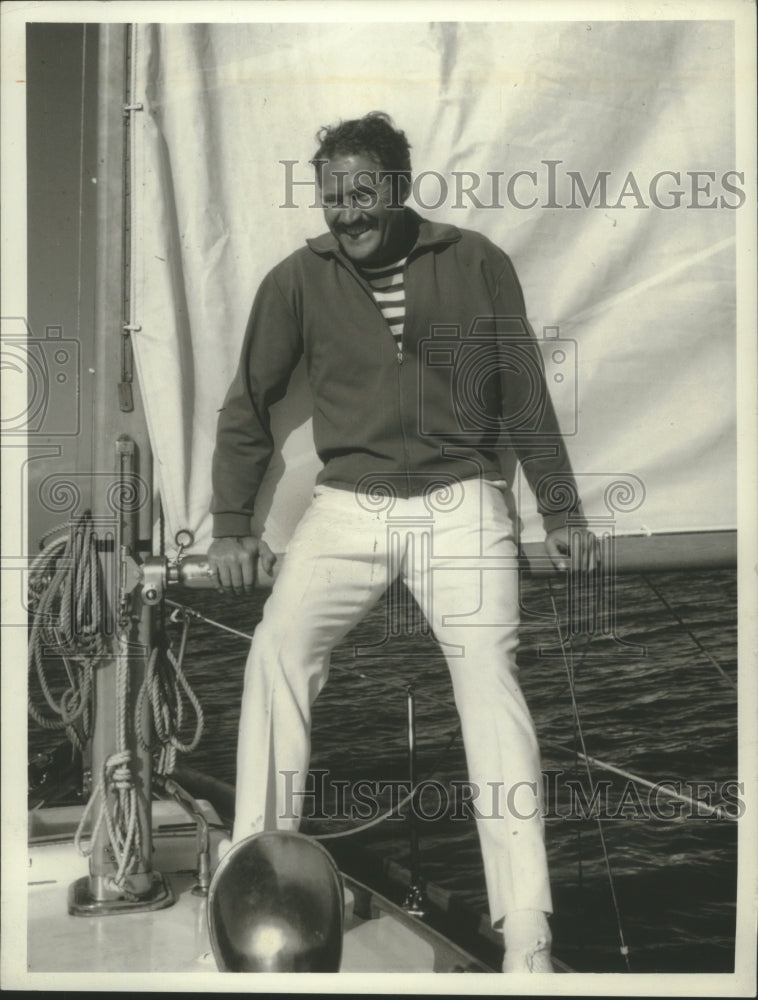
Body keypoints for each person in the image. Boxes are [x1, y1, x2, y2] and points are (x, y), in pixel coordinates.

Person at [208, 111, 597, 973]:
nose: (346, 214)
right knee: (277, 648)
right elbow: (249, 407)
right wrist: (232, 525)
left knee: (487, 670)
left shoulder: (474, 261)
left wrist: (562, 511)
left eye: (362, 194)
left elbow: (523, 388)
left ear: (399, 186)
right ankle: (253, 878)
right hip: (349, 503)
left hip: (462, 495)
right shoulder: (295, 282)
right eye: (332, 197)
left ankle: (526, 931)